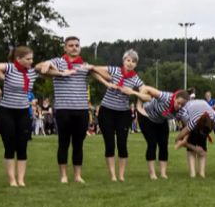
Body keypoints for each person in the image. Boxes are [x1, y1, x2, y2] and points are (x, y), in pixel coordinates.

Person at [0, 46, 68, 187]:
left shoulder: (32, 72)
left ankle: (21, 179)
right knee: (9, 146)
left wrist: (61, 72)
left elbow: (48, 72)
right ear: (18, 59)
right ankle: (12, 179)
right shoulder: (9, 68)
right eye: (28, 59)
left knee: (22, 147)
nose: (31, 61)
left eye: (32, 58)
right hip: (7, 111)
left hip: (23, 112)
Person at [36, 36, 95, 184]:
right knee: (63, 143)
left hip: (81, 110)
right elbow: (38, 67)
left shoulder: (84, 65)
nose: (74, 47)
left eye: (76, 45)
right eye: (71, 45)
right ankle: (63, 175)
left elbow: (100, 73)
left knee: (78, 144)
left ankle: (77, 175)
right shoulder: (58, 62)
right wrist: (56, 69)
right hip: (63, 110)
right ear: (65, 48)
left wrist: (92, 68)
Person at [91, 49, 145, 182]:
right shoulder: (114, 70)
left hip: (123, 114)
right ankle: (113, 175)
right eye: (128, 60)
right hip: (106, 111)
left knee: (122, 144)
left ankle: (121, 175)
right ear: (123, 61)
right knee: (109, 144)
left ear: (136, 65)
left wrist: (132, 92)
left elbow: (147, 95)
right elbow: (93, 70)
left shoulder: (136, 79)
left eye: (133, 61)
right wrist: (107, 83)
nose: (130, 63)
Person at [134, 87, 189, 179]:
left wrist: (184, 139)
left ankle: (163, 173)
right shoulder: (166, 97)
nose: (179, 106)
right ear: (174, 98)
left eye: (182, 105)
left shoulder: (182, 111)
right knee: (152, 143)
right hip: (146, 116)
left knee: (163, 144)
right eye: (178, 103)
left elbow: (189, 126)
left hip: (161, 120)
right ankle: (152, 174)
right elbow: (145, 88)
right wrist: (139, 106)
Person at [172, 98, 215, 178]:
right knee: (191, 147)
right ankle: (192, 173)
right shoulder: (192, 122)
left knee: (202, 148)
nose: (203, 134)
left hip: (203, 112)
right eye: (202, 132)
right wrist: (193, 147)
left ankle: (202, 173)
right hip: (189, 111)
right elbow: (177, 139)